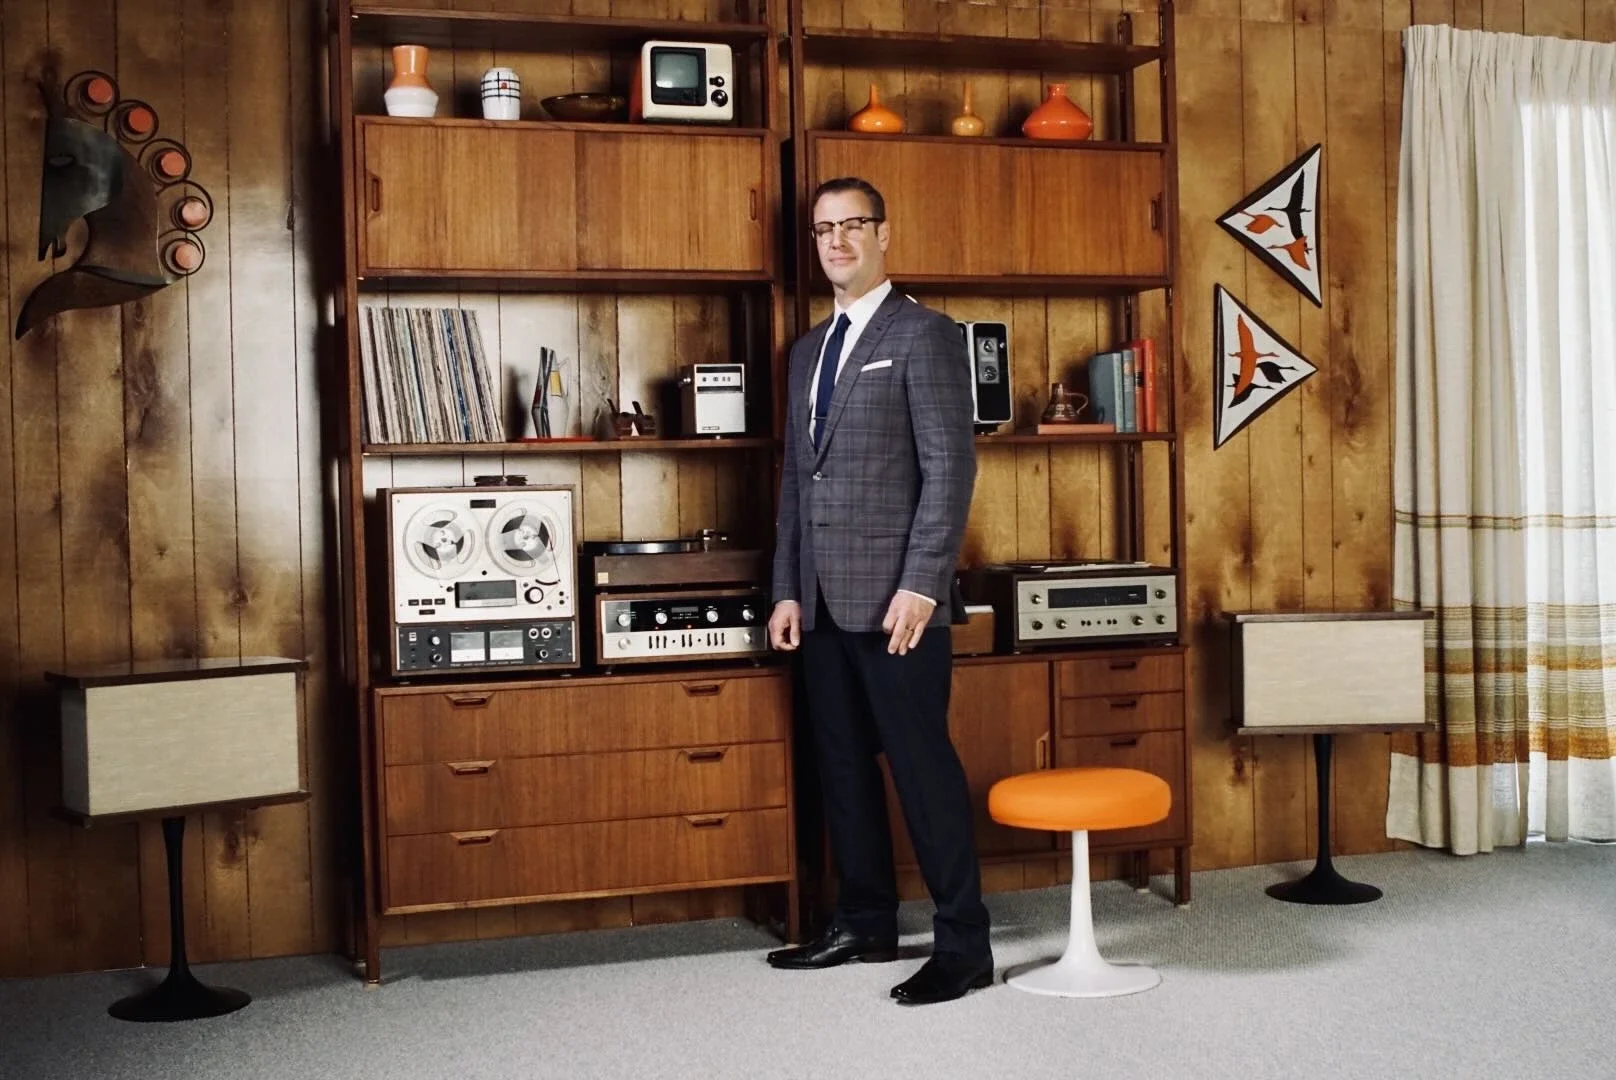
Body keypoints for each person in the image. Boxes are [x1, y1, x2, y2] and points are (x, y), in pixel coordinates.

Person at [763, 176, 992, 1006]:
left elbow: (950, 468)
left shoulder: (926, 335)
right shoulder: (806, 352)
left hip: (900, 605)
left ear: (883, 234)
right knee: (841, 766)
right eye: (824, 229)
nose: (837, 241)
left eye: (852, 224)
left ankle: (964, 944)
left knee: (922, 771)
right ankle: (864, 921)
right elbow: (799, 480)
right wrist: (787, 589)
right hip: (821, 602)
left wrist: (924, 584)